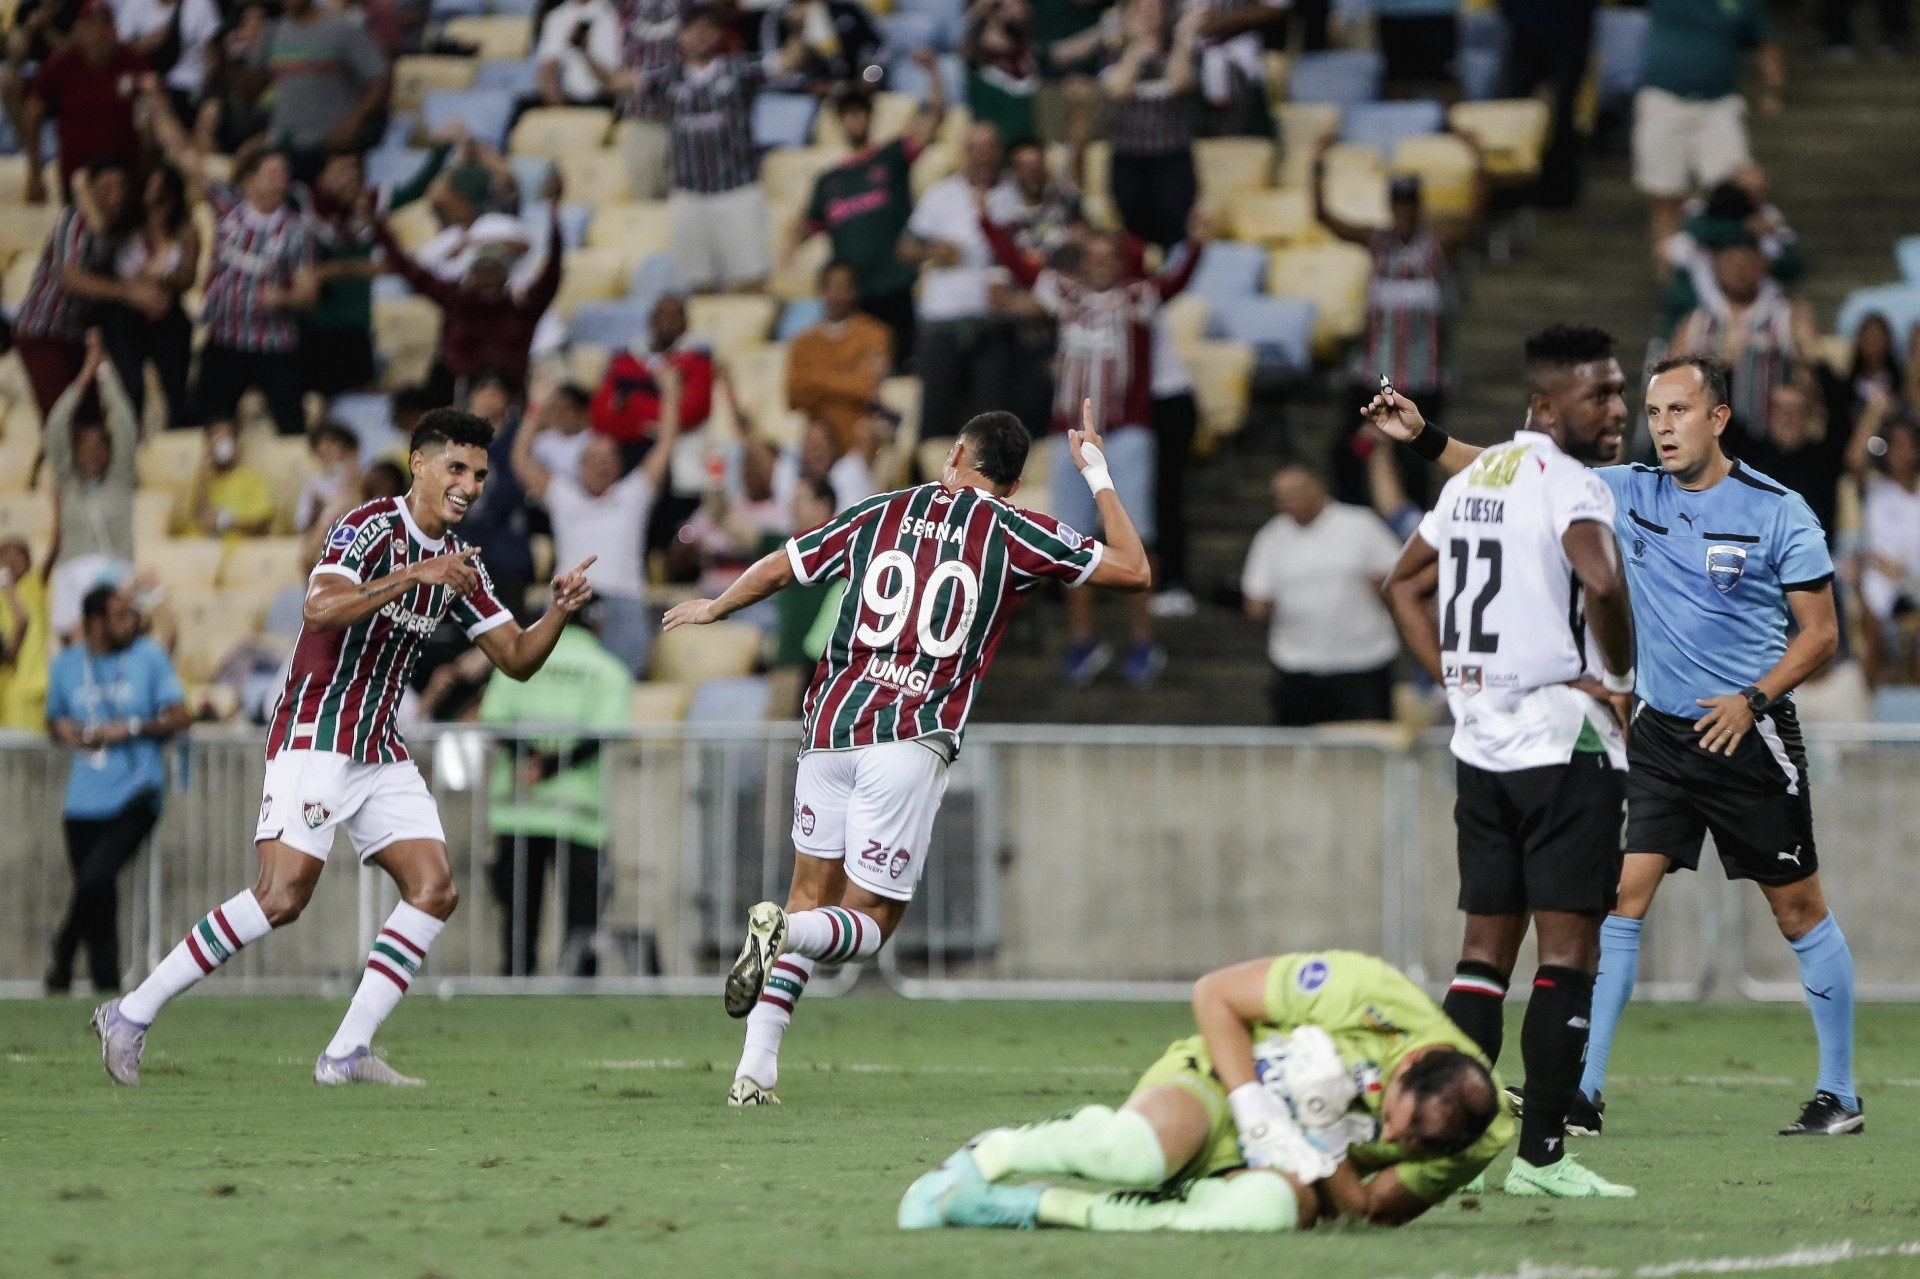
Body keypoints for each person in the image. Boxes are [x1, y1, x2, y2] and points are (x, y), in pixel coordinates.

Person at [1376, 348, 1858, 1139]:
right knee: (1617, 903)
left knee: (1799, 908)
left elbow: (1822, 635)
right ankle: (1582, 1091)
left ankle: (1839, 1091)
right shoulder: (1626, 489)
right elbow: (1506, 471)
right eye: (1654, 411)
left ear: (1719, 417)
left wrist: (1752, 698)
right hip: (1660, 735)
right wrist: (1424, 436)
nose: (1661, 426)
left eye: (1678, 411)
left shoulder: (1779, 510)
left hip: (1749, 732)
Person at [92, 409, 602, 1088]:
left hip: (377, 744)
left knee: (434, 888)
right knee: (281, 895)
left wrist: (559, 610)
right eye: (457, 468)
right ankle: (130, 1012)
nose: (470, 485)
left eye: (479, 473)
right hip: (317, 730)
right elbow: (319, 609)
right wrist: (414, 576)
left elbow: (515, 658)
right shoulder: (367, 528)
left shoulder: (461, 564)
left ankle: (345, 1053)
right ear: (419, 463)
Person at [663, 401, 1152, 1106]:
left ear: (955, 454)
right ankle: (780, 932)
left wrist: (716, 606)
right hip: (910, 735)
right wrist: (1097, 472)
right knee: (866, 929)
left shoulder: (880, 509)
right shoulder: (1014, 527)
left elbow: (781, 565)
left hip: (830, 727)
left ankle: (754, 1071)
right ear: (1012, 486)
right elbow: (1133, 570)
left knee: (811, 890)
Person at [1382, 324, 1639, 1198]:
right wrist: (1621, 680)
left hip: (1482, 740)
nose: (1618, 409)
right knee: (1570, 955)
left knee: (1481, 957)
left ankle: (1443, 1147)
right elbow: (1601, 582)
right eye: (1598, 393)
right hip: (1565, 738)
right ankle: (1541, 1160)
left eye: (1618, 391)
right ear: (1545, 403)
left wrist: (1455, 680)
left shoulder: (1477, 476)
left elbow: (1403, 583)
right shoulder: (1571, 485)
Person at [899, 950, 1510, 1231]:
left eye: (1409, 1145)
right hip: (1218, 1089)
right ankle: (992, 1153)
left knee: (1268, 1215)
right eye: (1396, 1121)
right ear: (1412, 1064)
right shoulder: (1366, 988)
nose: (1393, 1138)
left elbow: (1365, 1210)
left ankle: (1040, 1208)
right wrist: (1254, 1105)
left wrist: (1324, 1140)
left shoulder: (1484, 1136)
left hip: (1290, 1171)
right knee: (1133, 1157)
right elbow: (1215, 992)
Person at [981, 200, 1205, 688]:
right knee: (1070, 544)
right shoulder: (1067, 295)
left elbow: (1178, 281)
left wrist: (1196, 242)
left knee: (1135, 539)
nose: (1101, 263)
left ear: (1121, 260)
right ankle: (1084, 640)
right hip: (1074, 437)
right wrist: (985, 219)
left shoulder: (1138, 297)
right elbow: (1021, 267)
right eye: (1093, 256)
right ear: (1082, 263)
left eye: (1110, 256)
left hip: (1126, 432)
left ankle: (1144, 641)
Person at [45, 585, 191, 994]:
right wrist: (65, 729)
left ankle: (63, 947)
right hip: (82, 801)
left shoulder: (149, 656)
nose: (133, 620)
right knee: (98, 896)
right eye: (121, 614)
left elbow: (181, 716)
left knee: (93, 880)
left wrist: (127, 728)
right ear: (95, 623)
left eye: (133, 613)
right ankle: (104, 987)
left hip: (136, 794)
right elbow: (53, 717)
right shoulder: (66, 665)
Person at [145, 92, 318, 436]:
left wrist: (283, 300)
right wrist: (157, 102)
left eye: (283, 173)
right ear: (249, 179)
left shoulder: (297, 231)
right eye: (271, 172)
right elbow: (184, 159)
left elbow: (308, 292)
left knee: (291, 427)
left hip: (272, 344)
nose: (279, 179)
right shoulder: (226, 209)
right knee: (202, 420)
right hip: (224, 339)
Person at [480, 604, 633, 976]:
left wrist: (530, 761)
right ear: (598, 623)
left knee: (519, 924)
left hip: (518, 809)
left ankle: (516, 995)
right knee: (582, 929)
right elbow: (600, 735)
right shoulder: (608, 670)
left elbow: (495, 721)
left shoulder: (519, 661)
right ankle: (580, 1003)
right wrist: (549, 766)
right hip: (580, 813)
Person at [1317, 164, 1479, 511]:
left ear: (1418, 206)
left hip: (1423, 377)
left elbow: (1473, 218)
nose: (1403, 211)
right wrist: (1318, 173)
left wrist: (1476, 165)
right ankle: (1355, 515)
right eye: (1398, 204)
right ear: (1390, 206)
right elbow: (1329, 220)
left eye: (1410, 204)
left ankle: (1413, 529)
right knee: (1348, 449)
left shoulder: (1437, 242)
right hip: (1373, 374)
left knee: (1413, 459)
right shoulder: (1377, 241)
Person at [625, 5, 801, 293]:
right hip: (689, 194)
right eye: (692, 29)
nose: (700, 35)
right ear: (680, 36)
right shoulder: (668, 78)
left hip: (736, 190)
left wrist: (796, 31)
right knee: (698, 286)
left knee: (750, 280)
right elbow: (618, 82)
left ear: (720, 34)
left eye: (707, 28)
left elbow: (788, 62)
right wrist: (584, 53)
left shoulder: (739, 69)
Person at [513, 377, 680, 676]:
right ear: (580, 466)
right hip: (569, 604)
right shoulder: (563, 495)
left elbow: (666, 443)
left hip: (623, 603)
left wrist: (669, 395)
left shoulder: (632, 495)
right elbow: (520, 458)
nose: (603, 464)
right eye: (594, 458)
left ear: (619, 465)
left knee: (622, 685)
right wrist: (538, 406)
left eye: (610, 457)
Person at [794, 61, 947, 366]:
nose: (855, 121)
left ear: (870, 118)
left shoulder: (890, 158)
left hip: (895, 283)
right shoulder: (828, 181)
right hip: (855, 294)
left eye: (860, 114)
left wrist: (932, 73)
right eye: (848, 115)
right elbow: (806, 227)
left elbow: (934, 119)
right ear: (840, 122)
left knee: (904, 366)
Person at [372, 177, 564, 402]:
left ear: (505, 275)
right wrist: (378, 228)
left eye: (493, 269)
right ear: (471, 275)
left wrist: (554, 216)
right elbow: (410, 271)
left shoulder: (521, 306)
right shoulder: (456, 299)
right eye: (481, 270)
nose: (487, 276)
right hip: (459, 397)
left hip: (510, 400)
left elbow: (552, 272)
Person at [1243, 465, 1403, 725]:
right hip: (1297, 663)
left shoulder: (1360, 525)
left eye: (1292, 493)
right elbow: (1256, 598)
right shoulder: (1270, 537)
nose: (1285, 502)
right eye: (1280, 496)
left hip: (1363, 661)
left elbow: (1398, 580)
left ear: (1318, 489)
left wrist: (1383, 591)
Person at [1634, 0, 1784, 254]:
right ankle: (1670, 275)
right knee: (1665, 192)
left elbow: (1767, 41)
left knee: (1735, 189)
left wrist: (1773, 89)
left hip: (1719, 103)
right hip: (1662, 99)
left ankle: (1724, 271)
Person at [901, 122, 1012, 447]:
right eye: (974, 147)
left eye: (988, 147)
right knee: (935, 419)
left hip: (993, 321)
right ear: (964, 153)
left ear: (998, 152)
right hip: (942, 319)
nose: (981, 155)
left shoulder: (1012, 194)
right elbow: (906, 247)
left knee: (990, 427)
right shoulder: (942, 193)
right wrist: (934, 250)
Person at [12, 158, 135, 418]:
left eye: (121, 186)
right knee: (62, 418)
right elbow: (71, 279)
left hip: (76, 335)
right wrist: (130, 292)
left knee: (92, 420)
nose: (116, 194)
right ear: (90, 191)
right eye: (106, 187)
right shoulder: (74, 219)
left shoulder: (118, 230)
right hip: (44, 330)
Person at [1670, 230, 1814, 442]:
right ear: (1716, 269)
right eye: (1730, 264)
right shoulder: (1696, 323)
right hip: (1711, 444)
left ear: (1761, 266)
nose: (1739, 271)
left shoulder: (1785, 316)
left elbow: (1809, 371)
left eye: (1746, 264)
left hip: (1769, 443)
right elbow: (1673, 381)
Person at [44, 330, 139, 640]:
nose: (93, 453)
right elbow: (55, 427)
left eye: (100, 446)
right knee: (70, 642)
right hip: (73, 574)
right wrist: (85, 374)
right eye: (85, 446)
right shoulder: (68, 482)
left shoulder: (120, 480)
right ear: (76, 451)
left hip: (115, 573)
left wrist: (103, 371)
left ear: (109, 451)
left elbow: (124, 422)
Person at [95, 163, 199, 428]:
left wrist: (157, 277)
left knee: (175, 386)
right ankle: (131, 436)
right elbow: (107, 269)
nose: (154, 201)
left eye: (161, 195)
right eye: (149, 192)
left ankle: (177, 434)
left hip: (166, 314)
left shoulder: (185, 231)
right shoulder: (124, 227)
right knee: (132, 386)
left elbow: (187, 278)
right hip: (127, 316)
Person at [247, 0, 390, 179]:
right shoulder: (272, 32)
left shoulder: (342, 29)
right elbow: (252, 87)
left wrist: (354, 121)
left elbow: (381, 78)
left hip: (330, 145)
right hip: (285, 143)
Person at [22, 0, 146, 205]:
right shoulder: (61, 64)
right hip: (77, 176)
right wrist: (35, 173)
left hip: (124, 178)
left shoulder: (133, 62)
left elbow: (152, 107)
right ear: (78, 30)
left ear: (114, 30)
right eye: (90, 26)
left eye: (104, 25)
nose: (98, 33)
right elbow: (33, 111)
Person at [1100, 0, 1199, 252]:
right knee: (1134, 236)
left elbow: (1180, 82)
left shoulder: (1178, 50)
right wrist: (1137, 47)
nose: (1150, 15)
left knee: (1174, 232)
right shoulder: (1115, 52)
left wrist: (1181, 39)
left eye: (1156, 9)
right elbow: (1118, 88)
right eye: (1143, 9)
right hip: (1129, 158)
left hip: (1171, 157)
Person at [1846, 395, 1920, 685]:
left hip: (1915, 585)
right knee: (1871, 624)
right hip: (1881, 586)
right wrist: (1874, 412)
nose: (1900, 453)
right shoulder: (1876, 488)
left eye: (1907, 445)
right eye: (1894, 446)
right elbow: (1853, 460)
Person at [786, 261, 892, 460]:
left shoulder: (874, 334)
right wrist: (846, 374)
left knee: (867, 432)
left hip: (859, 433)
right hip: (817, 435)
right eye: (829, 287)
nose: (835, 295)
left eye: (842, 287)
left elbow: (866, 388)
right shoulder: (802, 343)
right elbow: (794, 396)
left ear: (854, 292)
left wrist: (815, 378)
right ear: (820, 291)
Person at [298, 150, 381, 402]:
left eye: (354, 171)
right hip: (312, 329)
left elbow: (389, 264)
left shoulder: (371, 214)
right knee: (312, 404)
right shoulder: (303, 209)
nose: (349, 177)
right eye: (341, 171)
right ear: (322, 178)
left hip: (354, 328)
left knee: (360, 403)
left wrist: (332, 270)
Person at [113, 0, 220, 119]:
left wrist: (201, 93)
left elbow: (213, 58)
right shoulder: (137, 3)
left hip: (187, 87)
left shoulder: (199, 5)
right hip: (146, 83)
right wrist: (146, 45)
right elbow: (118, 47)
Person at [963, 0, 1040, 146]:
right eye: (1013, 5)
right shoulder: (976, 53)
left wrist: (1098, 31)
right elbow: (963, 49)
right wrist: (981, 9)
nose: (1021, 9)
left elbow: (1065, 52)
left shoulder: (1027, 50)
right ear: (993, 11)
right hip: (993, 138)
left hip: (1028, 136)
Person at [190, 420, 278, 539]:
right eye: (215, 438)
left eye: (226, 439)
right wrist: (204, 465)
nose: (220, 444)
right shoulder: (202, 480)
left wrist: (225, 522)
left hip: (242, 548)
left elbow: (262, 524)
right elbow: (199, 516)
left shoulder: (252, 479)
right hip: (206, 549)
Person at [0, 537, 52, 730]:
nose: (10, 561)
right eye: (5, 556)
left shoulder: (33, 585)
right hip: (6, 690)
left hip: (30, 687)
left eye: (18, 556)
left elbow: (23, 621)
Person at [534, 0, 621, 110]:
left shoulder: (610, 15)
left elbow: (611, 79)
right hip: (567, 101)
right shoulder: (557, 16)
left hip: (603, 100)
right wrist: (558, 106)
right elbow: (547, 69)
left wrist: (584, 52)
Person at [296, 422, 362, 563]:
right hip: (322, 536)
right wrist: (316, 512)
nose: (326, 449)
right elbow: (302, 522)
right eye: (322, 445)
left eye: (332, 444)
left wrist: (353, 482)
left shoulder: (358, 477)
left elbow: (363, 507)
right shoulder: (313, 484)